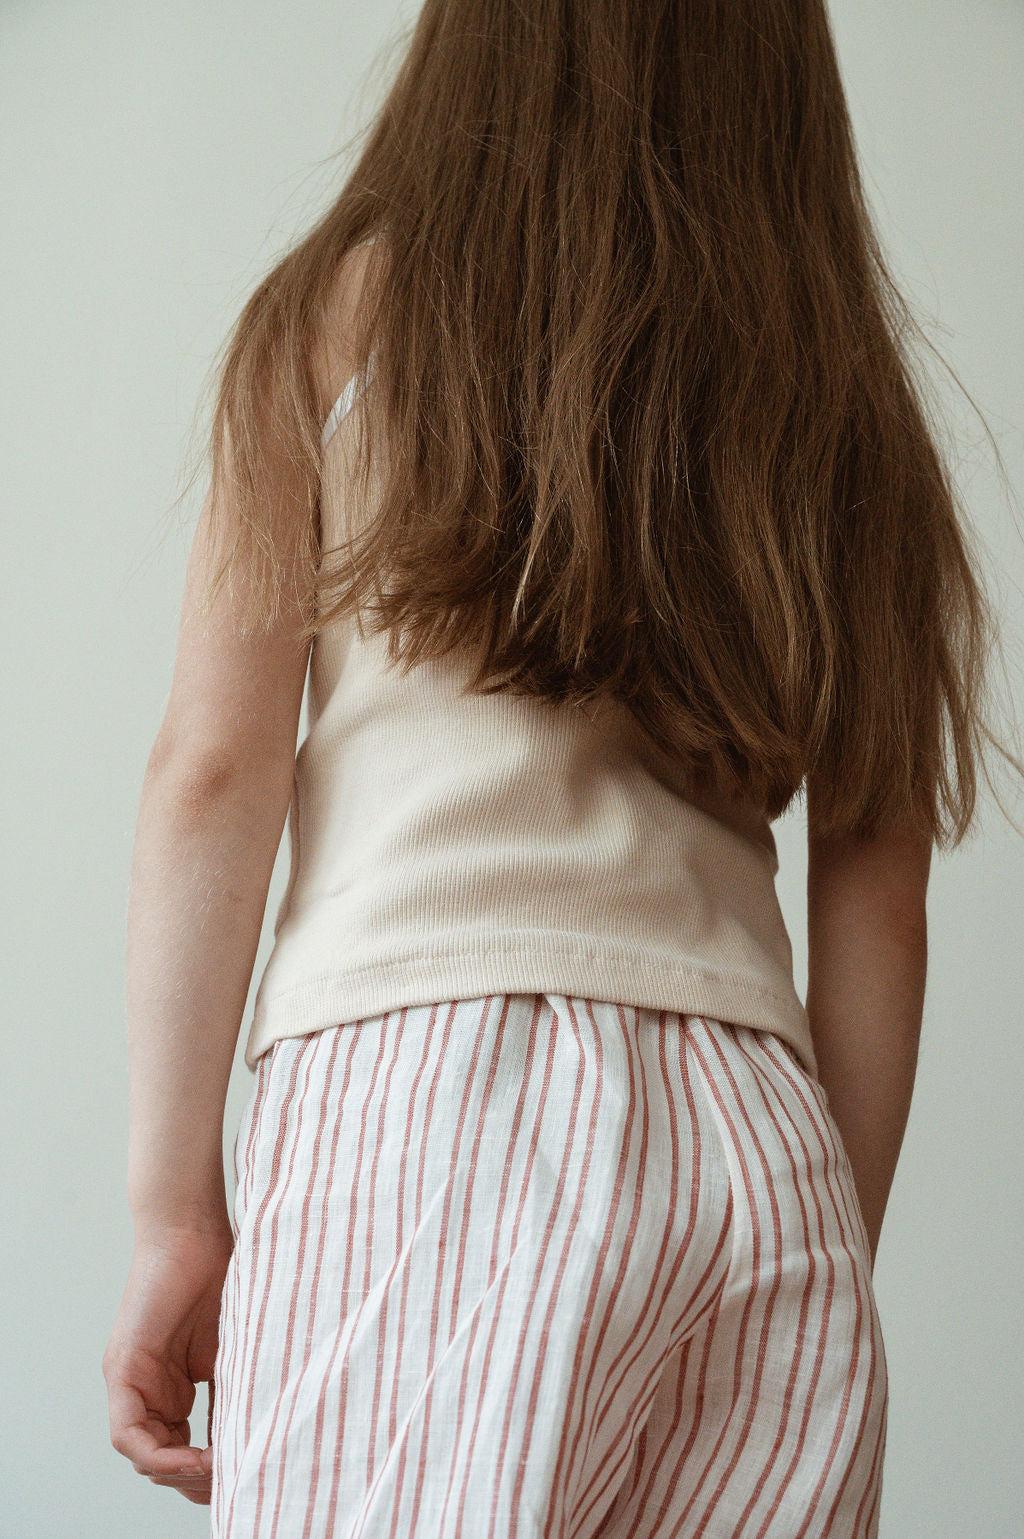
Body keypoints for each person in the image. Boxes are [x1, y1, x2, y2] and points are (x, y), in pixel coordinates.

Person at [101, 1, 1020, 1534]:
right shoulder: (845, 419)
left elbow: (211, 773)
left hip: (424, 1096)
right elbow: (881, 897)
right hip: (757, 1138)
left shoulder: (335, 320)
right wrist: (821, 1255)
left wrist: (173, 1212)